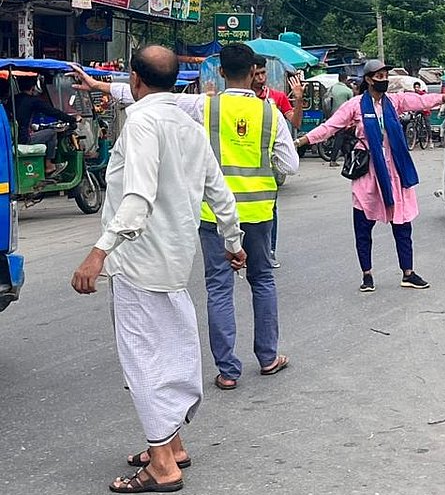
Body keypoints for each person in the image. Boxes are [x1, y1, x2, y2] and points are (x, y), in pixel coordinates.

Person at [69, 46, 245, 494]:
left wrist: (99, 251)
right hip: (173, 261)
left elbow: (138, 196)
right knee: (167, 350)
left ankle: (163, 465)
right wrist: (233, 242)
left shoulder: (143, 123)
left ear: (136, 79)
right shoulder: (187, 125)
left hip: (137, 263)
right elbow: (219, 192)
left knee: (143, 359)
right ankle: (172, 443)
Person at [74, 44, 300, 391]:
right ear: (256, 73)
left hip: (213, 215)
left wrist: (99, 85)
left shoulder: (203, 105)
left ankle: (228, 370)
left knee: (219, 288)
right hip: (258, 212)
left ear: (220, 72)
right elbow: (290, 165)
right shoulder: (270, 113)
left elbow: (155, 97)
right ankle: (268, 357)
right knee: (263, 281)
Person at [296, 59, 445, 293]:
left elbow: (420, 101)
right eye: (380, 76)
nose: (384, 80)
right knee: (363, 225)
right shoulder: (354, 106)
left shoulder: (394, 102)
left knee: (402, 224)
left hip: (394, 171)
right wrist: (302, 141)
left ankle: (408, 273)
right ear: (369, 79)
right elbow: (330, 127)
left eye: (386, 76)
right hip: (368, 173)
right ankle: (367, 275)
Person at [250, 55, 303, 267]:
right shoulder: (239, 99)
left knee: (269, 208)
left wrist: (298, 100)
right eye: (256, 74)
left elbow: (296, 121)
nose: (261, 78)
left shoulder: (277, 98)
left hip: (267, 164)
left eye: (263, 73)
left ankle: (269, 250)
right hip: (242, 160)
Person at [14, 74, 76, 175]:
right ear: (33, 87)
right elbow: (52, 112)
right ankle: (49, 165)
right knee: (52, 133)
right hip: (24, 139)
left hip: (15, 137)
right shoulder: (33, 101)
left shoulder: (14, 99)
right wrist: (72, 119)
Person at [324, 71, 355, 166]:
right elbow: (352, 106)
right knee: (340, 138)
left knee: (344, 138)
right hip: (343, 119)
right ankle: (333, 160)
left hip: (332, 116)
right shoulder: (348, 91)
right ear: (345, 79)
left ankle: (347, 159)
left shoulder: (331, 88)